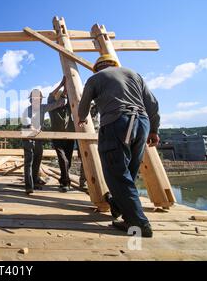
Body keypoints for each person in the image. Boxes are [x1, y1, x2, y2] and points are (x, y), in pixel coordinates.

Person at [78, 54, 160, 238]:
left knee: (115, 172)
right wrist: (154, 130)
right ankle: (117, 204)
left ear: (97, 67)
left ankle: (139, 224)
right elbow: (153, 104)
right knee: (129, 170)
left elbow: (83, 107)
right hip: (142, 123)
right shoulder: (134, 74)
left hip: (117, 123)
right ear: (114, 64)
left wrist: (82, 118)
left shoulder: (95, 78)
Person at [22, 83, 67, 195]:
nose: (37, 101)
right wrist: (31, 127)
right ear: (31, 100)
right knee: (29, 161)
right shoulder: (27, 110)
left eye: (39, 99)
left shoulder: (43, 108)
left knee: (37, 160)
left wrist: (64, 87)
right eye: (35, 99)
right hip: (28, 137)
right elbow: (26, 121)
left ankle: (35, 182)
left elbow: (59, 103)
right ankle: (29, 187)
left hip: (38, 138)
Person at [48, 77, 75, 192]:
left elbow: (69, 96)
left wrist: (67, 86)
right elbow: (50, 95)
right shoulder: (52, 107)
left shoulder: (68, 107)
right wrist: (61, 84)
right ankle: (66, 183)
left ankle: (63, 179)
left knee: (68, 160)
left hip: (70, 136)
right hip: (57, 137)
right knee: (63, 159)